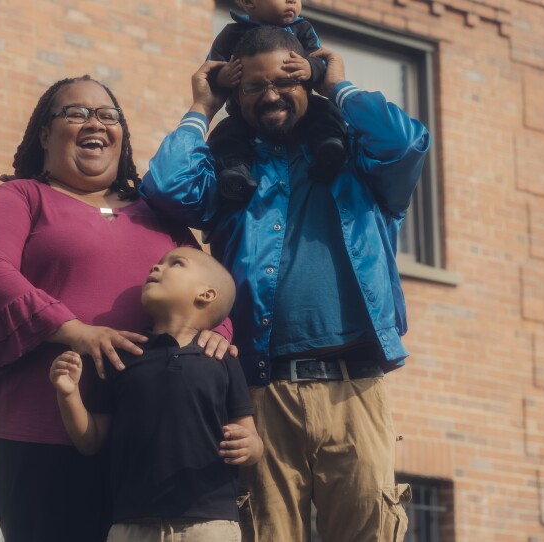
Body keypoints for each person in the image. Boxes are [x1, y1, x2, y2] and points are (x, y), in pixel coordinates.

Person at [139, 26, 431, 542]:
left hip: (355, 386)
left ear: (307, 82)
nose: (270, 95)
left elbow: (405, 141)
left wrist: (338, 86)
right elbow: (166, 188)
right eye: (254, 86)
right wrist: (201, 108)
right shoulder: (231, 173)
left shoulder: (361, 163)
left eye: (285, 80)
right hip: (259, 393)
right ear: (237, 94)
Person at [0, 75, 235, 542]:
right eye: (77, 113)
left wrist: (216, 334)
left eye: (108, 115)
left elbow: (210, 286)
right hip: (39, 429)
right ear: (46, 134)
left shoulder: (158, 215)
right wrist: (75, 331)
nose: (95, 123)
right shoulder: (21, 197)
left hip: (146, 445)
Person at [50, 246, 263, 542]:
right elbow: (91, 441)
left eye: (176, 263)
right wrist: (68, 394)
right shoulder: (121, 356)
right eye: (159, 262)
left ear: (206, 294)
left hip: (210, 522)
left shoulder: (222, 358)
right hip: (131, 523)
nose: (156, 266)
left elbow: (252, 439)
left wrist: (249, 447)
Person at [207, 0, 347, 201]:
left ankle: (328, 147)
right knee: (226, 134)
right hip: (246, 116)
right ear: (248, 2)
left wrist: (310, 66)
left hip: (300, 113)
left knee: (324, 110)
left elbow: (320, 59)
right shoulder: (231, 33)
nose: (292, 1)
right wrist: (222, 76)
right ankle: (236, 171)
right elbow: (210, 69)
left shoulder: (302, 29)